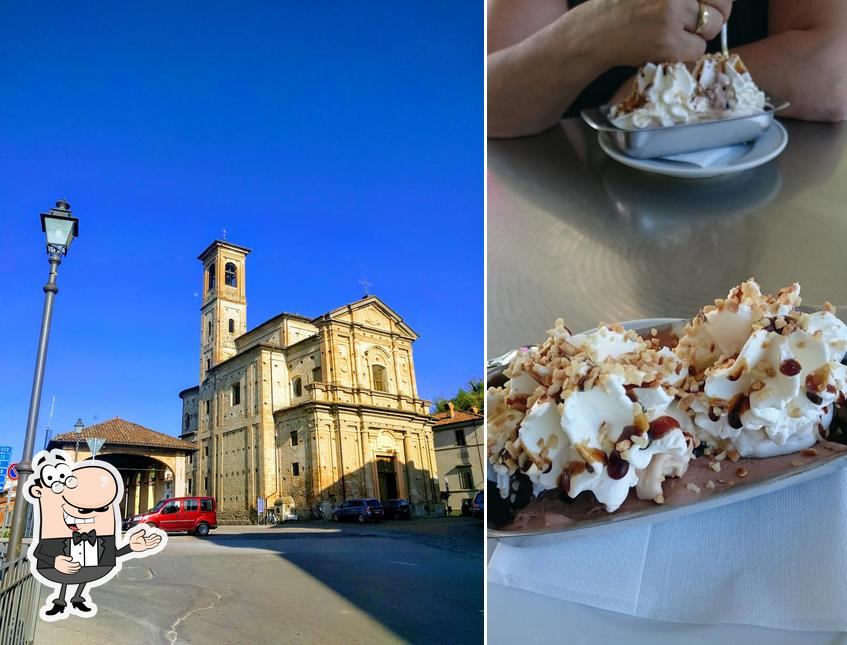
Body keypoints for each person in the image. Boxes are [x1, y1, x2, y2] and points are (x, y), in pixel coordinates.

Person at [488, 0, 847, 137]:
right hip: (584, 211)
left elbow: (832, 69)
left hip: (764, 201)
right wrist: (593, 31)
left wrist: (654, 93)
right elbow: (488, 102)